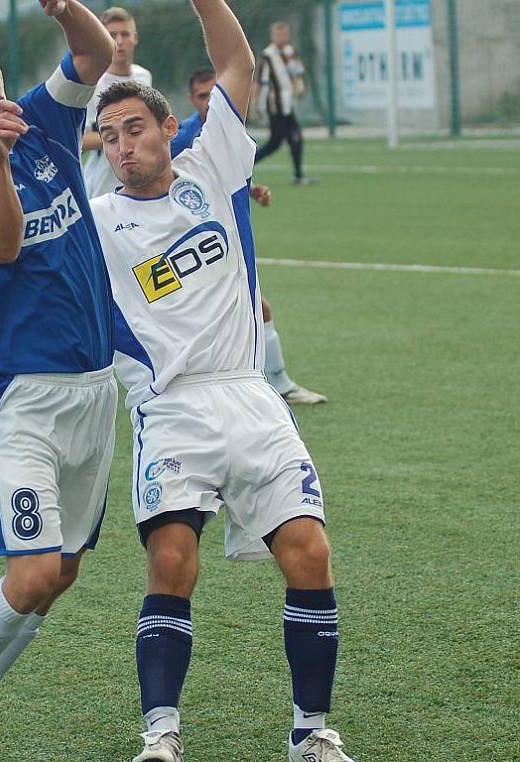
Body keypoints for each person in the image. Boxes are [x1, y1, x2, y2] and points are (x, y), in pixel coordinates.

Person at [91, 1, 354, 760]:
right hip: (168, 408)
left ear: (170, 128)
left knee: (308, 551)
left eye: (134, 129)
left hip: (248, 395)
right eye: (108, 137)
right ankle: (161, 736)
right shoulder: (99, 221)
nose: (122, 146)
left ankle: (312, 733)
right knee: (172, 560)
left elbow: (236, 66)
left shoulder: (214, 165)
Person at [0, 5, 116, 760]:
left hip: (96, 392)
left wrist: (68, 9)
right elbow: (2, 250)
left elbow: (94, 56)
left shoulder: (39, 117)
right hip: (25, 401)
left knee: (60, 574)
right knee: (32, 570)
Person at [173, 67, 327, 405]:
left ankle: (269, 385)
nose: (210, 103)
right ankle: (272, 386)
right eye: (202, 96)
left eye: (214, 94)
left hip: (225, 241)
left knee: (254, 311)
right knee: (251, 311)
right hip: (197, 246)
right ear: (190, 99)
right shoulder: (183, 138)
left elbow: (222, 178)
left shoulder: (228, 129)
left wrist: (251, 189)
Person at [82, 6, 152, 198]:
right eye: (112, 35)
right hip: (102, 188)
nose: (119, 41)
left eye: (125, 34)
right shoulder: (90, 84)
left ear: (135, 38)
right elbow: (79, 140)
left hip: (140, 182)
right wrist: (123, 135)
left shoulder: (144, 77)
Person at [251, 21, 314, 185]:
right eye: (278, 34)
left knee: (291, 139)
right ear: (273, 36)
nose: (282, 37)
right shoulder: (267, 56)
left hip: (287, 105)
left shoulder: (290, 52)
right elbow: (258, 82)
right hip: (275, 106)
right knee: (277, 142)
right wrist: (255, 104)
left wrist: (299, 88)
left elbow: (296, 73)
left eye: (284, 34)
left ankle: (298, 175)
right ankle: (246, 167)